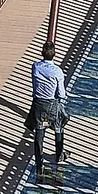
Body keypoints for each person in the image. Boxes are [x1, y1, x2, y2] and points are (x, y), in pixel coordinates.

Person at [26, 41, 67, 179]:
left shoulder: (35, 67)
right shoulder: (58, 72)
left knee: (40, 130)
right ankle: (59, 154)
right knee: (58, 126)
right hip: (51, 104)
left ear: (42, 53)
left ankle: (39, 163)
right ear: (54, 54)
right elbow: (61, 93)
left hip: (38, 104)